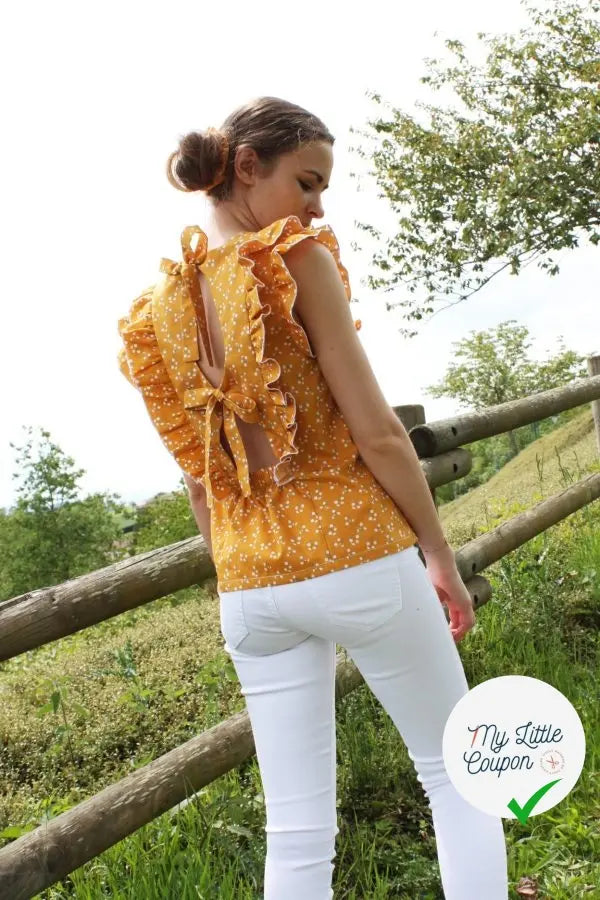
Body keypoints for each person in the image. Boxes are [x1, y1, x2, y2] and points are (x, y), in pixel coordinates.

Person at [118, 96, 508, 898]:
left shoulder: (158, 311)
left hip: (250, 585)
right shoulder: (294, 261)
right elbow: (380, 434)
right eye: (307, 181)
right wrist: (438, 553)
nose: (317, 206)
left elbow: (200, 476)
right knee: (456, 775)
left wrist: (239, 576)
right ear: (247, 167)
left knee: (296, 835)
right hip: (355, 551)